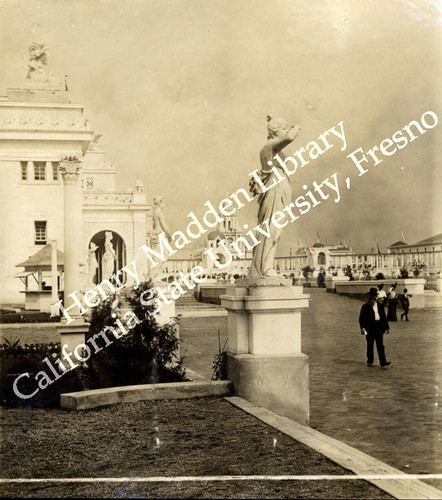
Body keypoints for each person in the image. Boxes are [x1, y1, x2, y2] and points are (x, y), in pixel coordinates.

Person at [247, 116, 300, 278]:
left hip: (280, 188)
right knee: (271, 228)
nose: (286, 130)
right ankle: (265, 268)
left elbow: (285, 139)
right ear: (276, 132)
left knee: (276, 230)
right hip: (273, 190)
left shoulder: (275, 150)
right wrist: (298, 125)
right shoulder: (267, 148)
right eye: (284, 127)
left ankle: (266, 266)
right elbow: (289, 137)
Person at [359, 287, 391, 367]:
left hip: (379, 327)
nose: (373, 299)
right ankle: (370, 361)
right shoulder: (365, 307)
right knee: (370, 345)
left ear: (376, 297)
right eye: (371, 297)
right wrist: (363, 328)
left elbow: (383, 317)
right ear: (369, 297)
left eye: (374, 297)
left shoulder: (380, 306)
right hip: (369, 328)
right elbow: (361, 318)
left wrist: (387, 327)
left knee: (380, 345)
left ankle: (383, 362)